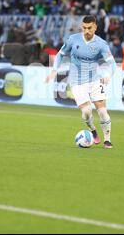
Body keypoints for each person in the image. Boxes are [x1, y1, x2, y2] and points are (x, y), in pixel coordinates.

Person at [45, 16, 117, 149]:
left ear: (95, 27)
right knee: (87, 112)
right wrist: (54, 70)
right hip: (77, 81)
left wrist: (108, 75)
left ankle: (107, 139)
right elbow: (60, 54)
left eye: (89, 28)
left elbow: (112, 64)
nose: (86, 31)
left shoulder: (101, 44)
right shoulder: (73, 39)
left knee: (102, 111)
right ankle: (93, 130)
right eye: (84, 28)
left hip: (94, 80)